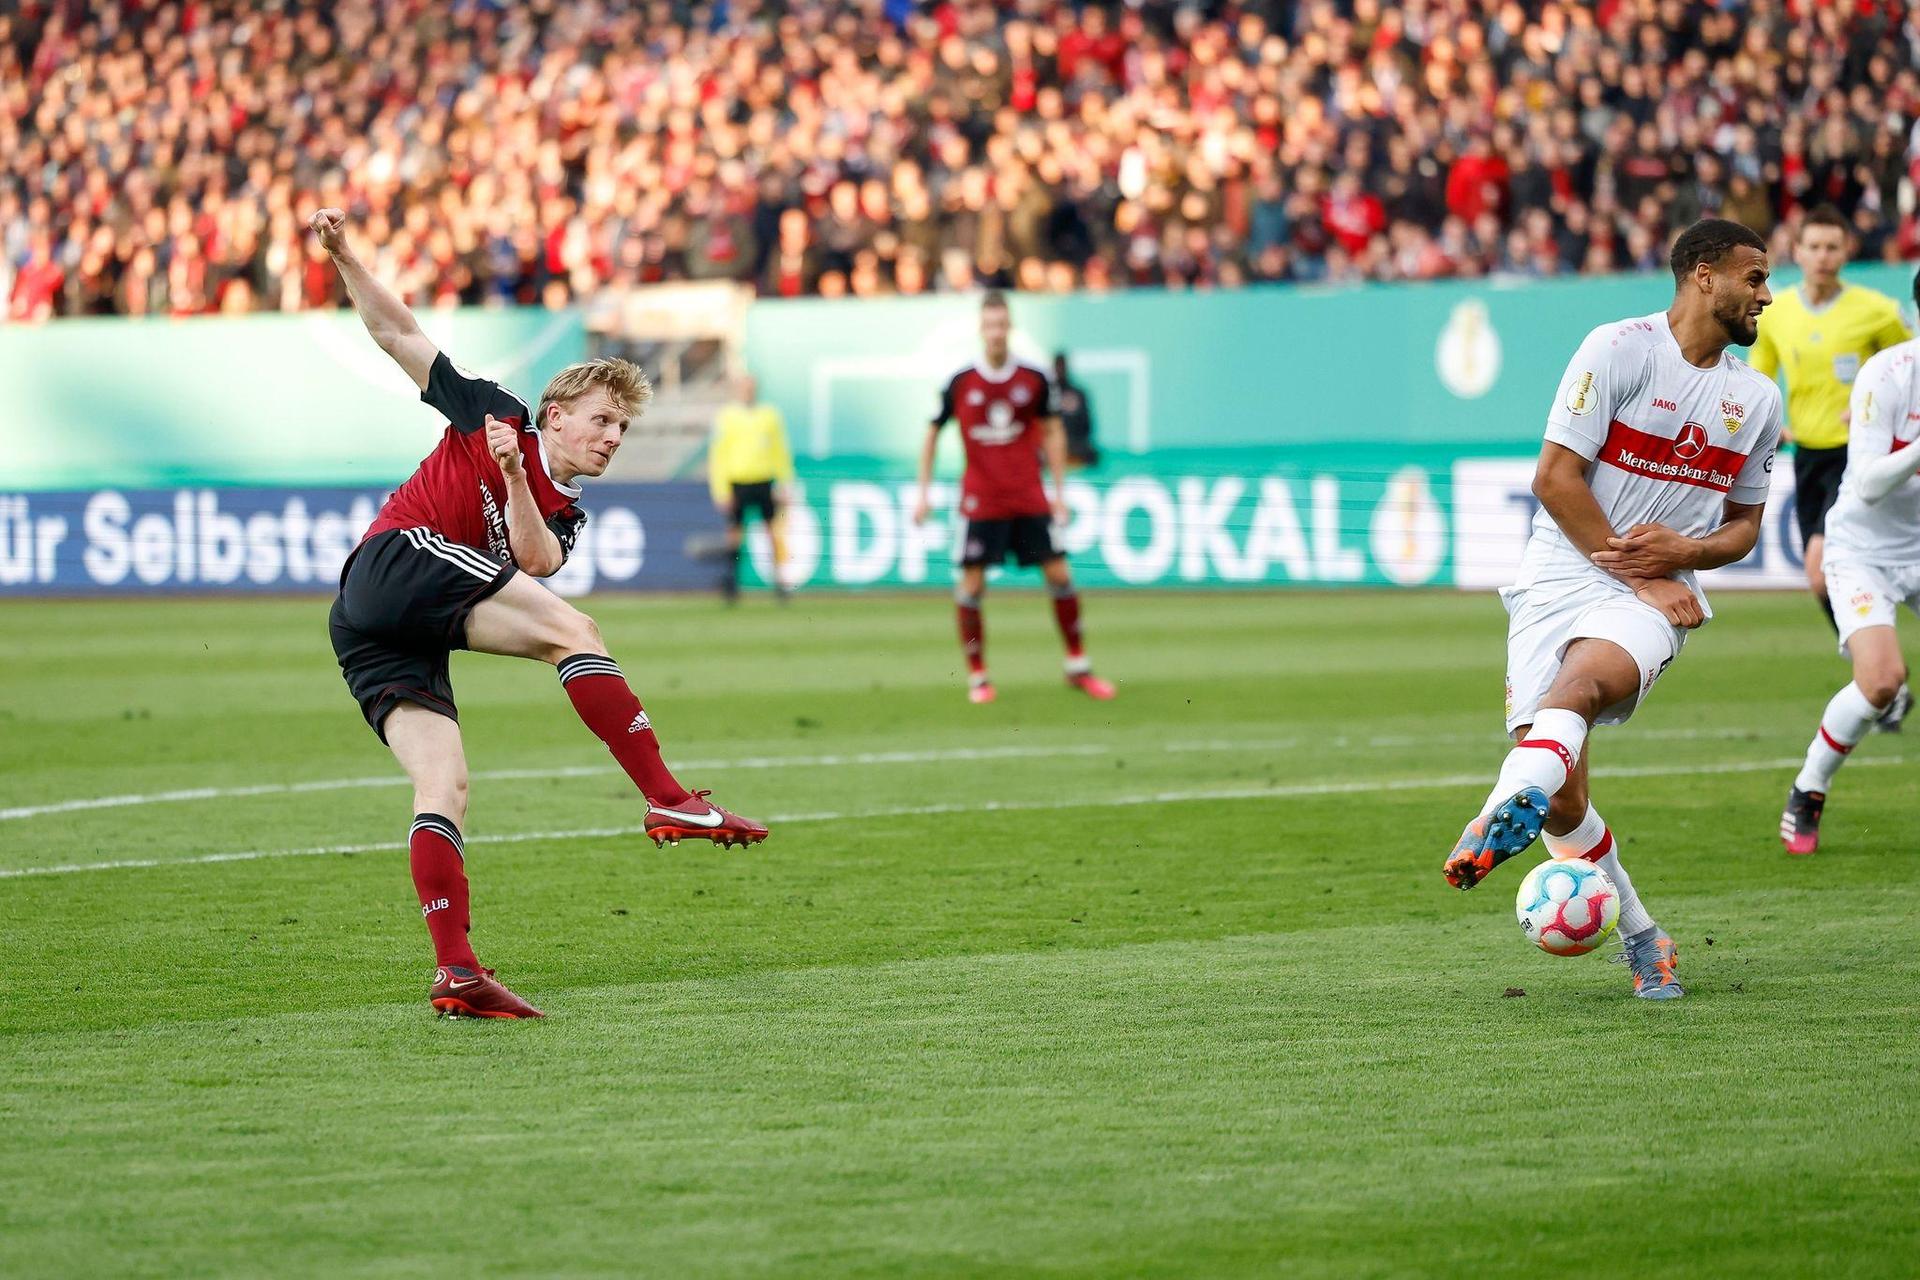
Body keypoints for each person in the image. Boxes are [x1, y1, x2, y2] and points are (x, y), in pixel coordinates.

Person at [310, 208, 768, 1020]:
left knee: (444, 783)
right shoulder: (491, 407)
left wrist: (516, 479)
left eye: (622, 428)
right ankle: (665, 794)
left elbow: (536, 561)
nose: (612, 436)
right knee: (577, 633)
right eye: (601, 419)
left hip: (379, 625)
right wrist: (345, 256)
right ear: (555, 414)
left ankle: (456, 972)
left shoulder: (563, 506)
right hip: (391, 563)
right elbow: (398, 335)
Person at [1441, 219, 1783, 1001]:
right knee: (1565, 800)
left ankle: (1497, 808)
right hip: (1562, 570)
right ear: (1704, 275)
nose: (1766, 296)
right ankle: (1643, 936)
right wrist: (1641, 574)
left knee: (1581, 692)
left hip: (1657, 593)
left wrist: (1682, 561)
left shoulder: (1756, 399)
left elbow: (1743, 528)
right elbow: (1556, 479)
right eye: (1755, 278)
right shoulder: (1618, 349)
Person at [1747, 206, 1912, 729]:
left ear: (1846, 253)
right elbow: (1761, 376)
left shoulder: (1877, 310)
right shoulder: (1777, 312)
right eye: (1813, 247)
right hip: (1810, 458)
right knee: (1819, 582)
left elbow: (1907, 370)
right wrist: (1773, 419)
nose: (1822, 257)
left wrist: (1873, 402)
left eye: (1832, 247)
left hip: (1859, 454)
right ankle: (1882, 672)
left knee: (1820, 566)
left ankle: (1880, 678)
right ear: (1797, 252)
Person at [911, 292, 1116, 704]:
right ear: (980, 330)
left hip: (1028, 495)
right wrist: (924, 493)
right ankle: (978, 676)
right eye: (989, 325)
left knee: (1060, 576)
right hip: (981, 499)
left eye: (1002, 325)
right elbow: (932, 431)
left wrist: (1058, 492)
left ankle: (1077, 665)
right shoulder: (960, 381)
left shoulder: (1034, 380)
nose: (996, 333)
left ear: (1010, 329)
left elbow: (1053, 430)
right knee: (971, 584)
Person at [1780, 283, 1920, 853]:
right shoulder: (1887, 375)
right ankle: (1809, 787)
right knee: (1882, 682)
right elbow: (1865, 481)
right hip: (1863, 550)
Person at [707, 373, 795, 602]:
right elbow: (718, 455)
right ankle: (732, 583)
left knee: (772, 532)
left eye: (751, 388)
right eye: (744, 388)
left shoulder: (769, 415)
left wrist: (785, 481)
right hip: (738, 481)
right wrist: (721, 491)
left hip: (764, 480)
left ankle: (780, 581)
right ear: (738, 390)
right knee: (735, 534)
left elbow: (780, 451)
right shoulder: (727, 417)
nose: (748, 392)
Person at [1052, 353, 1099, 468]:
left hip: (1075, 444)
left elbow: (1087, 424)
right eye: (1058, 366)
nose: (1060, 369)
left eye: (1062, 365)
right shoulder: (1047, 393)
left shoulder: (1078, 393)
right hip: (1052, 444)